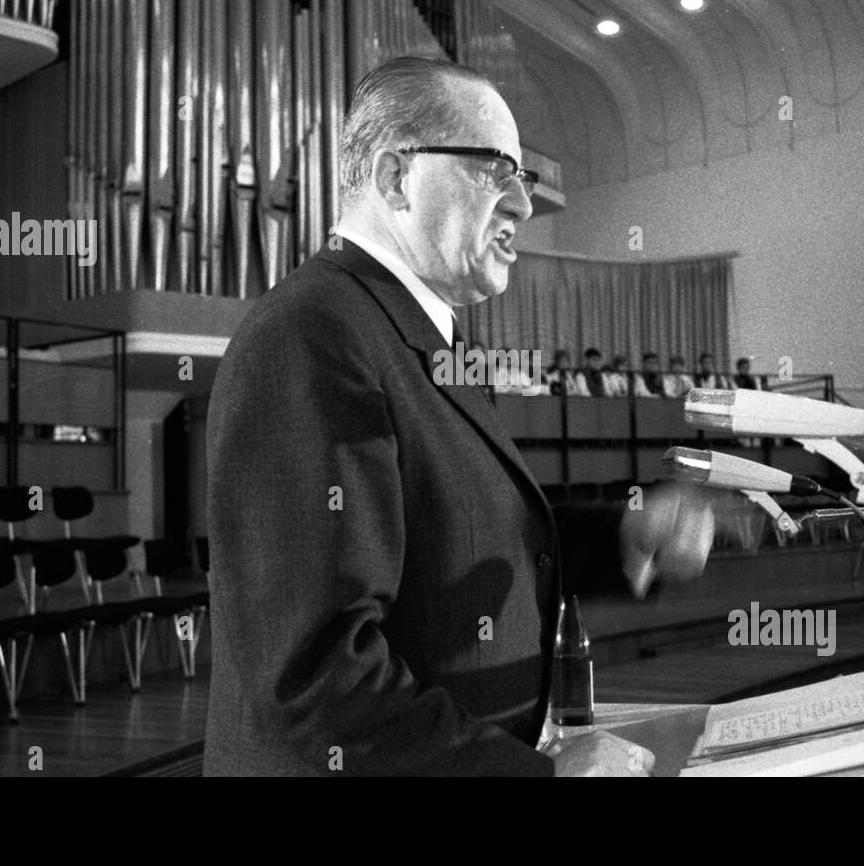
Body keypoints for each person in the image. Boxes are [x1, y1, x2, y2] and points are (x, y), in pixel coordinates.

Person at [204, 57, 656, 776]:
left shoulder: (404, 334)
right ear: (394, 178)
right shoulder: (312, 337)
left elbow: (461, 529)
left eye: (525, 176)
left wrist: (628, 536)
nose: (522, 204)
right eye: (494, 169)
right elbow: (315, 674)